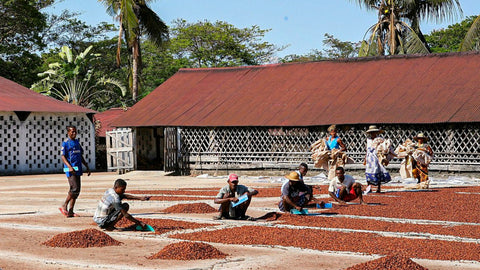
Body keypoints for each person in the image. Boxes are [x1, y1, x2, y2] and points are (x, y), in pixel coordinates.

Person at [60, 125, 91, 217]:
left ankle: (71, 211)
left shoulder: (77, 142)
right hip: (70, 169)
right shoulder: (65, 143)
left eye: (75, 132)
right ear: (68, 132)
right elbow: (63, 156)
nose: (74, 133)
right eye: (72, 132)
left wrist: (86, 166)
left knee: (77, 191)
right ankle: (64, 205)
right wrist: (69, 166)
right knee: (74, 188)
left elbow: (80, 155)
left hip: (78, 168)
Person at [364, 125, 392, 193]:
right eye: (372, 132)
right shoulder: (368, 140)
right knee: (368, 171)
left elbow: (384, 147)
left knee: (378, 170)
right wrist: (365, 158)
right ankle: (369, 187)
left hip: (377, 157)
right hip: (370, 157)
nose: (373, 133)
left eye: (374, 132)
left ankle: (378, 187)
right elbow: (367, 149)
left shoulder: (380, 139)